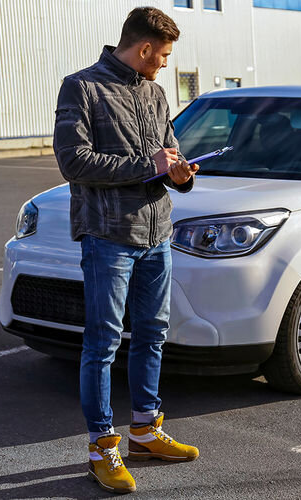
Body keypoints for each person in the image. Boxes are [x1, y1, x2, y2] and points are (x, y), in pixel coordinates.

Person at [53, 7, 199, 494]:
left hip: (159, 235)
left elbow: (167, 154)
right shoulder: (82, 88)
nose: (164, 64)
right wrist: (147, 165)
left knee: (153, 333)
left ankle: (145, 431)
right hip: (108, 237)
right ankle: (101, 447)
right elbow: (74, 161)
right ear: (143, 49)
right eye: (163, 55)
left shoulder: (156, 94)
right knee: (102, 343)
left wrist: (179, 174)